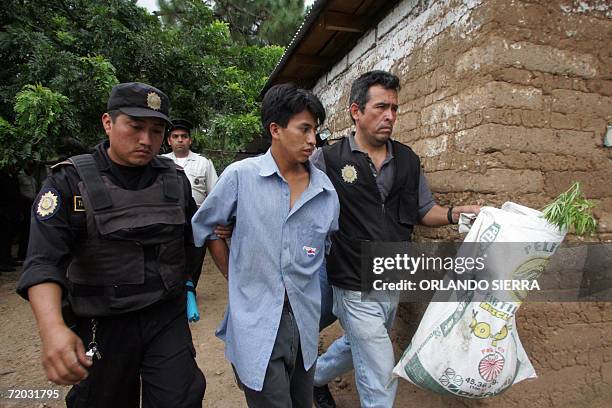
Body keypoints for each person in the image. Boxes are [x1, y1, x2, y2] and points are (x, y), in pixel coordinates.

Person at [16, 82, 206, 408]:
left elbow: (194, 238)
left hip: (165, 317)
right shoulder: (68, 183)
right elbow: (42, 261)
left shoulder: (174, 180)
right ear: (108, 122)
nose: (146, 140)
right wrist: (52, 329)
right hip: (101, 322)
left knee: (181, 399)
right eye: (135, 127)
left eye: (156, 130)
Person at [310, 70, 481, 408]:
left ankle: (313, 377)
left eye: (394, 108)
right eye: (381, 107)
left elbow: (423, 210)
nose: (389, 116)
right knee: (379, 369)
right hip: (351, 280)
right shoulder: (328, 160)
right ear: (356, 111)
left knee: (362, 344)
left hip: (391, 277)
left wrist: (453, 213)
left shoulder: (407, 159)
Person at [192, 83, 340, 407]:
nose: (313, 139)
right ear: (275, 129)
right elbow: (207, 228)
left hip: (304, 321)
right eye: (304, 129)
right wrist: (234, 273)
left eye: (315, 130)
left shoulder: (325, 192)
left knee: (302, 400)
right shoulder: (241, 177)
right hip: (256, 322)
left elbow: (325, 246)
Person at [163, 118, 218, 291]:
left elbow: (214, 194)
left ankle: (189, 291)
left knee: (194, 257)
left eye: (184, 136)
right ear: (169, 140)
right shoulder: (160, 162)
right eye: (176, 136)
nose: (180, 140)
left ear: (190, 140)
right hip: (169, 220)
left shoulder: (204, 163)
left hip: (197, 221)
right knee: (170, 256)